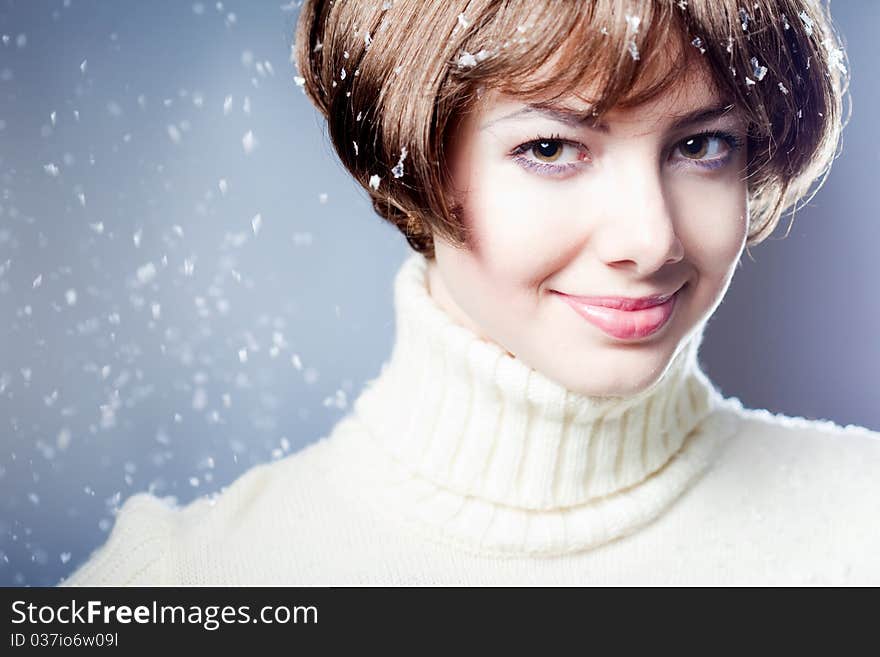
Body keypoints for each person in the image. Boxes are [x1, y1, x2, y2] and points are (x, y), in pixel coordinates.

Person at [60, 0, 879, 586]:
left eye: (701, 143)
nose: (650, 238)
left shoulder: (860, 529)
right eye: (553, 147)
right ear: (416, 153)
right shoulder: (188, 585)